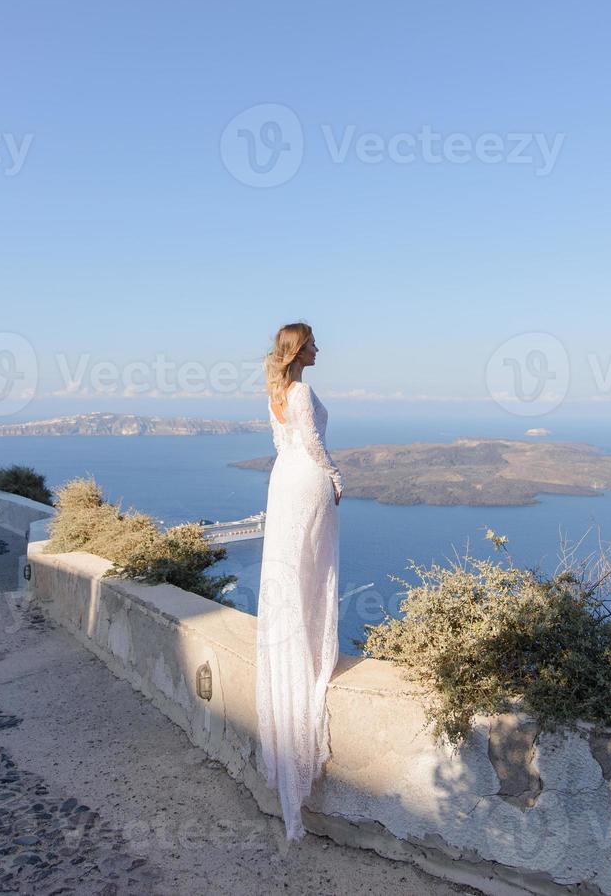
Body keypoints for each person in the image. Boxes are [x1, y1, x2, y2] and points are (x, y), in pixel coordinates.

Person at [255, 321, 342, 841]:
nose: (319, 348)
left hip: (281, 484)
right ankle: (310, 664)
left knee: (288, 576)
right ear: (299, 349)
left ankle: (292, 662)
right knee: (315, 570)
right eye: (313, 342)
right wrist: (336, 479)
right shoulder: (302, 390)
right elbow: (311, 443)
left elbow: (285, 442)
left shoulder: (275, 392)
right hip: (307, 481)